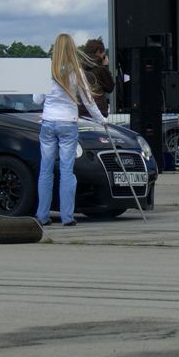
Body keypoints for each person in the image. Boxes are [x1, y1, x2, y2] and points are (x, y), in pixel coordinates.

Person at [33, 34, 107, 227]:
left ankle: (42, 215)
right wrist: (102, 120)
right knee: (67, 171)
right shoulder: (77, 72)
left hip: (49, 121)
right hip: (68, 122)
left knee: (46, 170)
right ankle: (67, 216)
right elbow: (89, 102)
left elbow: (37, 100)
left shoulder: (47, 71)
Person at [78, 38, 114, 118]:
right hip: (98, 110)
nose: (104, 55)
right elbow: (110, 87)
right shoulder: (100, 68)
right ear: (98, 52)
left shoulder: (80, 67)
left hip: (81, 110)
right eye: (103, 52)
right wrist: (105, 66)